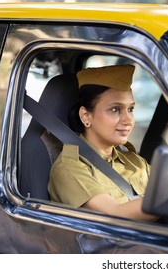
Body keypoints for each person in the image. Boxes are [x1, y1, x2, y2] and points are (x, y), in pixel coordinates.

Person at [48, 64, 156, 221]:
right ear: (86, 116)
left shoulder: (136, 162)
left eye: (130, 109)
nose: (128, 120)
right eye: (115, 110)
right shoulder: (69, 168)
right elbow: (115, 215)